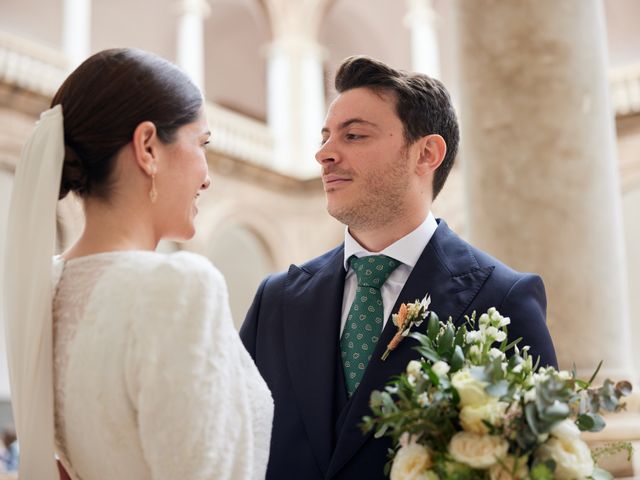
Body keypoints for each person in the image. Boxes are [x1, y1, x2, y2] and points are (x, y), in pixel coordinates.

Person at [240, 55, 557, 480]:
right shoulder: (275, 301)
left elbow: (538, 462)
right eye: (325, 138)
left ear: (426, 153)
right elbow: (234, 443)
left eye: (353, 135)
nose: (324, 154)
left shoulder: (503, 298)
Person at [3, 48, 273, 480]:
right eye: (201, 144)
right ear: (148, 147)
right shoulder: (180, 286)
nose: (207, 177)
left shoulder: (48, 284)